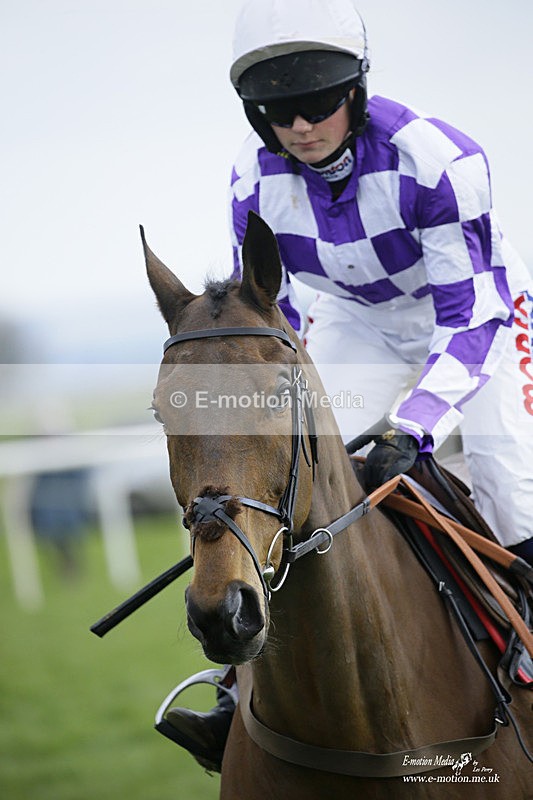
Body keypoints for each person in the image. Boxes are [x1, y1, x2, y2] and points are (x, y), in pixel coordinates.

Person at [162, 0, 533, 770]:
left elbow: (469, 320)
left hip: (474, 319)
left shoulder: (436, 159)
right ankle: (237, 690)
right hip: (357, 324)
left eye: (316, 104)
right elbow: (276, 308)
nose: (299, 127)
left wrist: (413, 428)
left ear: (355, 91)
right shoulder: (252, 177)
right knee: (298, 477)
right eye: (276, 112)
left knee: (509, 485)